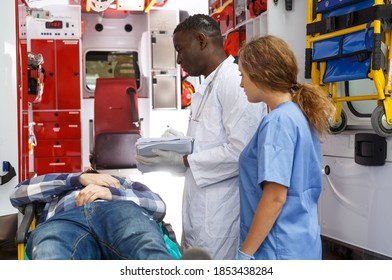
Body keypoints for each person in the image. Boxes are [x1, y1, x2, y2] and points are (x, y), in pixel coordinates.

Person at [136, 14, 266, 259]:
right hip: (201, 208)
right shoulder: (208, 85)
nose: (178, 59)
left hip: (221, 214)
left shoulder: (233, 81)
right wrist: (178, 147)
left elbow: (241, 151)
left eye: (180, 49)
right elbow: (211, 140)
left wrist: (184, 160)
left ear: (201, 40)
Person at [235, 35, 335, 260]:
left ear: (261, 74)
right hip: (301, 244)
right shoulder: (298, 113)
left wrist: (245, 254)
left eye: (243, 75)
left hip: (277, 249)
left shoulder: (278, 121)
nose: (241, 84)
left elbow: (275, 198)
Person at [9, 170, 178, 260]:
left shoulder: (127, 185)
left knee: (143, 244)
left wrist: (111, 193)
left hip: (119, 212)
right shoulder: (63, 186)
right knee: (51, 250)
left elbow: (158, 206)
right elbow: (18, 194)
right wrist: (77, 179)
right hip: (66, 220)